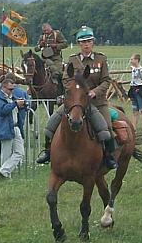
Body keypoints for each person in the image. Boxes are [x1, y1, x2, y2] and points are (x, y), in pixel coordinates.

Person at [36, 26, 117, 169]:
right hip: (75, 102)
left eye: (89, 41)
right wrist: (74, 93)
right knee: (51, 124)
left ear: (93, 42)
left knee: (106, 128)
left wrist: (94, 92)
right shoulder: (73, 60)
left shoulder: (101, 59)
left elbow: (106, 81)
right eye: (83, 42)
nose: (86, 44)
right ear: (79, 44)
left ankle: (108, 157)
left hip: (96, 102)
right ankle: (48, 151)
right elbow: (66, 80)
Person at [0, 77, 28, 178]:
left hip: (16, 127)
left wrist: (23, 104)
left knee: (20, 153)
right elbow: (3, 110)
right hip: (5, 127)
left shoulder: (13, 97)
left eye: (13, 89)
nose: (11, 91)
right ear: (3, 87)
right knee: (6, 153)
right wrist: (15, 104)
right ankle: (5, 175)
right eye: (10, 89)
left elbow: (23, 105)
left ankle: (3, 171)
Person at [33, 22, 68, 91]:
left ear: (50, 28)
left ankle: (62, 88)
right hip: (45, 58)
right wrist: (40, 45)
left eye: (46, 30)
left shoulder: (57, 34)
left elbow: (65, 44)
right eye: (44, 31)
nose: (45, 32)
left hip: (56, 57)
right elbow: (36, 49)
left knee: (58, 72)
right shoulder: (42, 37)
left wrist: (56, 46)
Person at [128, 54, 142, 136]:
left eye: (132, 59)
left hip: (139, 89)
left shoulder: (140, 70)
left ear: (137, 60)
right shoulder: (133, 69)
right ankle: (133, 128)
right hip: (133, 89)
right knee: (135, 110)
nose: (131, 61)